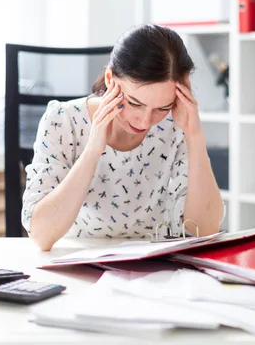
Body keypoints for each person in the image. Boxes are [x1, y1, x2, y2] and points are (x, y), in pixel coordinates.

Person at [22, 24, 225, 251]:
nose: (145, 121)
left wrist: (194, 135)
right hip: (78, 260)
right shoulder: (62, 120)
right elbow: (41, 235)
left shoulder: (178, 123)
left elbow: (206, 229)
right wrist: (92, 151)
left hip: (155, 265)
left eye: (162, 108)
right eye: (135, 103)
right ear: (110, 78)